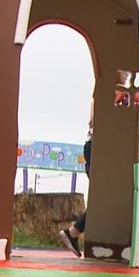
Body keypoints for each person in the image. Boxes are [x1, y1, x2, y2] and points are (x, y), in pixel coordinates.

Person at [60, 102, 93, 257]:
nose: (127, 76)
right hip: (97, 145)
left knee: (101, 197)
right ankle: (74, 231)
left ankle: (74, 231)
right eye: (125, 74)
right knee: (103, 197)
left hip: (92, 145)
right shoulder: (117, 93)